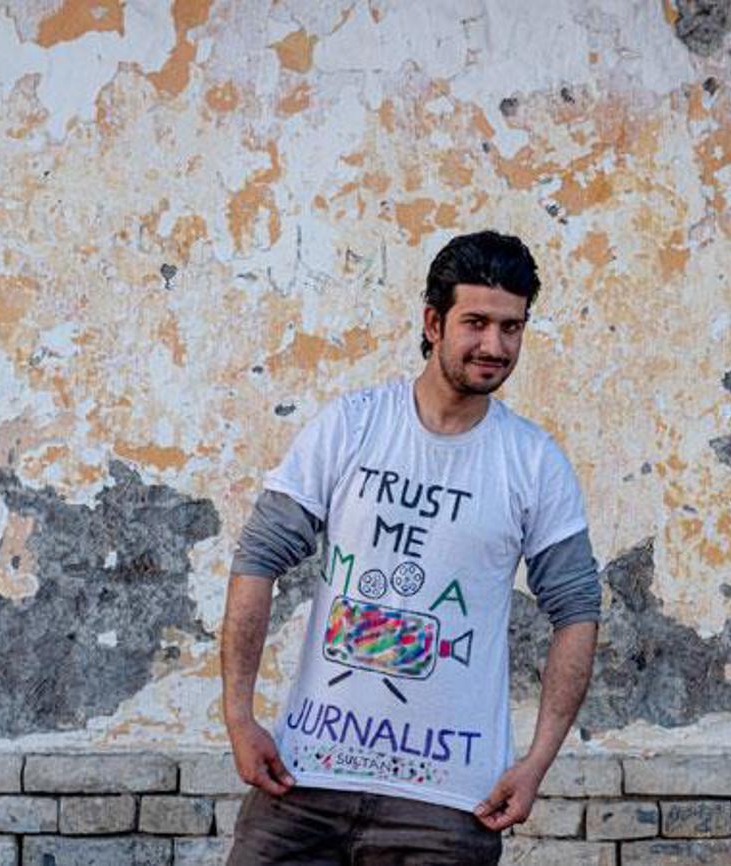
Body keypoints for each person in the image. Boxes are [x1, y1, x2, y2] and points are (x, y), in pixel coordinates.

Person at [221, 230, 601, 865]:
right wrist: (239, 715)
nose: (494, 346)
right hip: (306, 780)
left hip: (447, 807)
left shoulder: (534, 463)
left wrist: (536, 762)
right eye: (476, 323)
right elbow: (259, 556)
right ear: (432, 322)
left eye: (511, 328)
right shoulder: (353, 425)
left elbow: (577, 609)